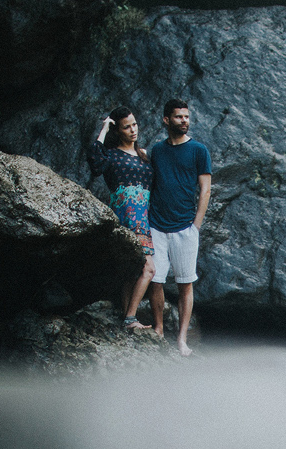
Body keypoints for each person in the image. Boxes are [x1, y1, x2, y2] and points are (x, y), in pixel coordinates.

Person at [147, 99, 211, 356]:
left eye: (186, 116)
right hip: (157, 226)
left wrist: (196, 225)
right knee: (155, 279)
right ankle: (159, 329)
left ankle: (182, 340)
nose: (184, 120)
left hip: (186, 228)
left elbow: (205, 189)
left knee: (185, 283)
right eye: (178, 117)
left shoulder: (198, 150)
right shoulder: (157, 151)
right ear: (166, 120)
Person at [86, 107, 156, 329]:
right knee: (148, 269)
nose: (133, 130)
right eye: (127, 127)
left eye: (134, 124)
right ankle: (130, 318)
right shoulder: (110, 155)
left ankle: (128, 318)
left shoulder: (144, 155)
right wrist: (105, 128)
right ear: (118, 131)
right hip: (125, 216)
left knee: (133, 271)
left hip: (144, 219)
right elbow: (94, 162)